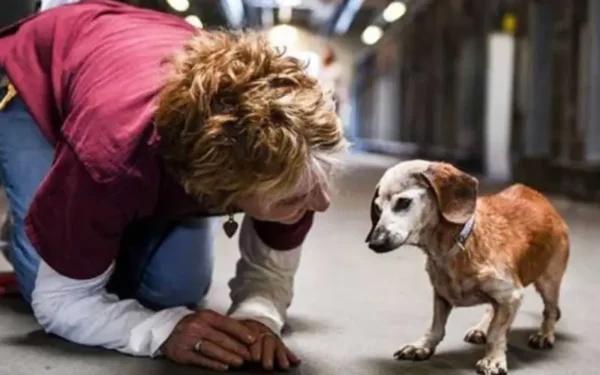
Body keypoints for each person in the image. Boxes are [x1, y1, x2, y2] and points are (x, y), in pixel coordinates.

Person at [0, 0, 347, 372]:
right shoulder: (110, 158)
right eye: (295, 198)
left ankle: (96, 227)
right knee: (45, 280)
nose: (322, 203)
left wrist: (258, 316)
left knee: (174, 292)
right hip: (45, 70)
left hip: (139, 63)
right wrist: (161, 331)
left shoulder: (301, 160)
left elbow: (270, 274)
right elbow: (61, 304)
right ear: (226, 183)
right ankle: (39, 222)